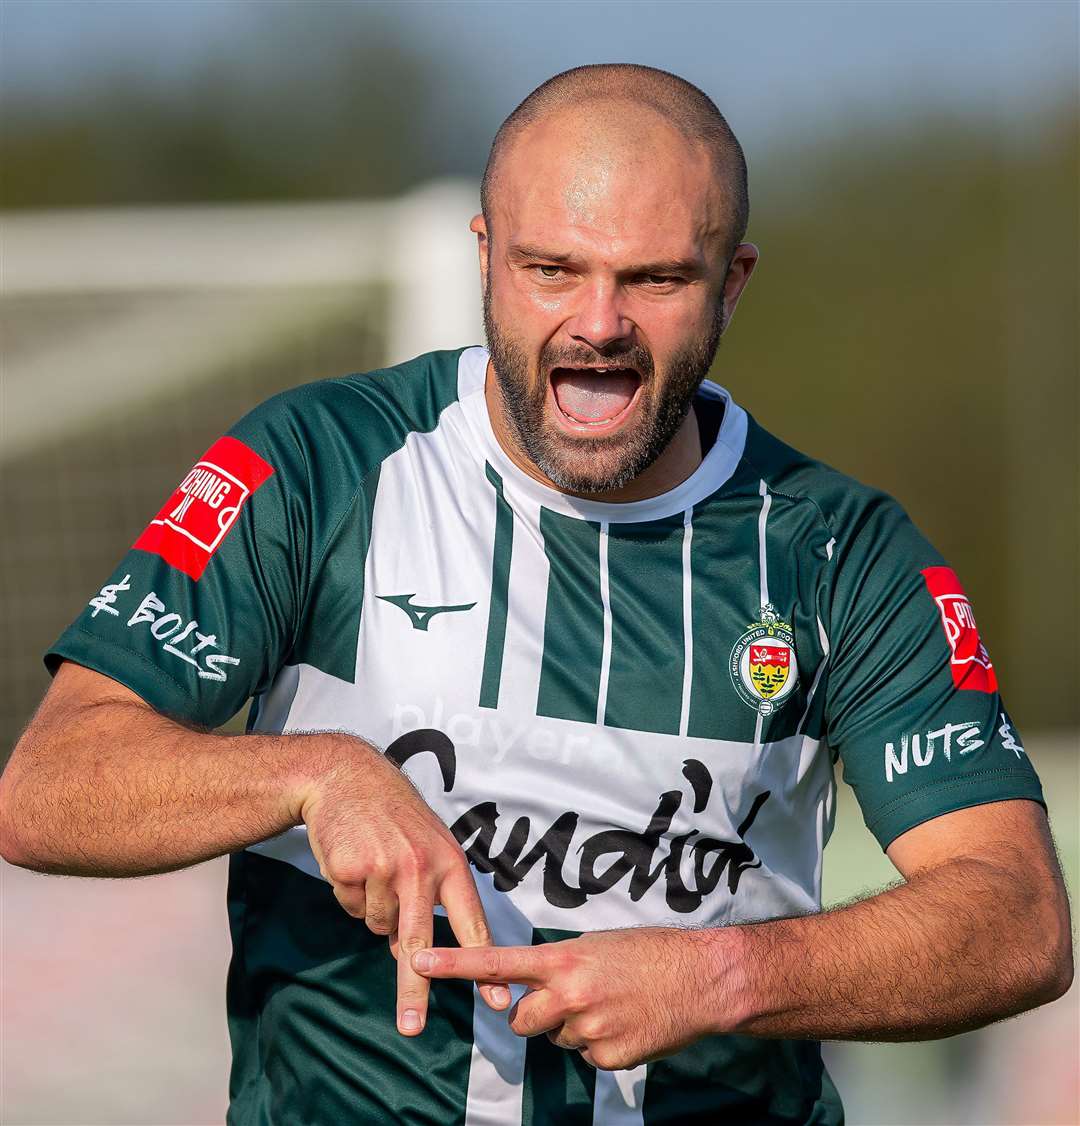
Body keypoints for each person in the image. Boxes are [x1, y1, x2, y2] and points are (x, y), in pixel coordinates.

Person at [0, 63, 1071, 1126]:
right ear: (484, 257)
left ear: (733, 280)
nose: (598, 324)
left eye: (654, 279)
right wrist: (314, 776)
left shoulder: (843, 550)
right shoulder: (318, 464)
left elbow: (1020, 918)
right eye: (552, 268)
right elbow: (47, 787)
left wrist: (725, 974)